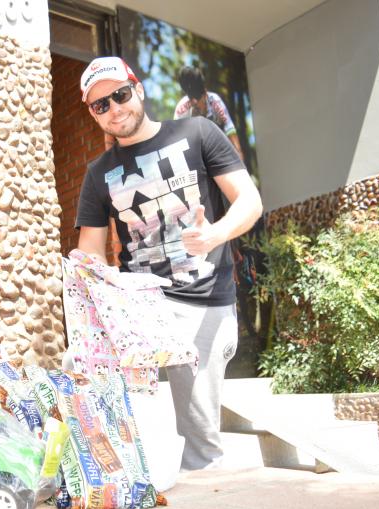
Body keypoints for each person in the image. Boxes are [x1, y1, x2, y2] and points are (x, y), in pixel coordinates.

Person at [75, 56, 263, 470]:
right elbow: (91, 250)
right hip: (138, 310)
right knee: (93, 391)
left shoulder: (197, 131)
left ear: (137, 89)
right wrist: (85, 276)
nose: (114, 108)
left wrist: (215, 234)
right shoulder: (98, 173)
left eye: (119, 95)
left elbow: (249, 201)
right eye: (100, 105)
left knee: (198, 447)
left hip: (200, 302)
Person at [174, 65, 244, 163]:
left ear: (205, 93)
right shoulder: (181, 109)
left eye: (197, 98)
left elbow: (229, 127)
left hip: (219, 147)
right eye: (191, 98)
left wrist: (239, 152)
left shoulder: (214, 100)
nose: (194, 102)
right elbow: (177, 141)